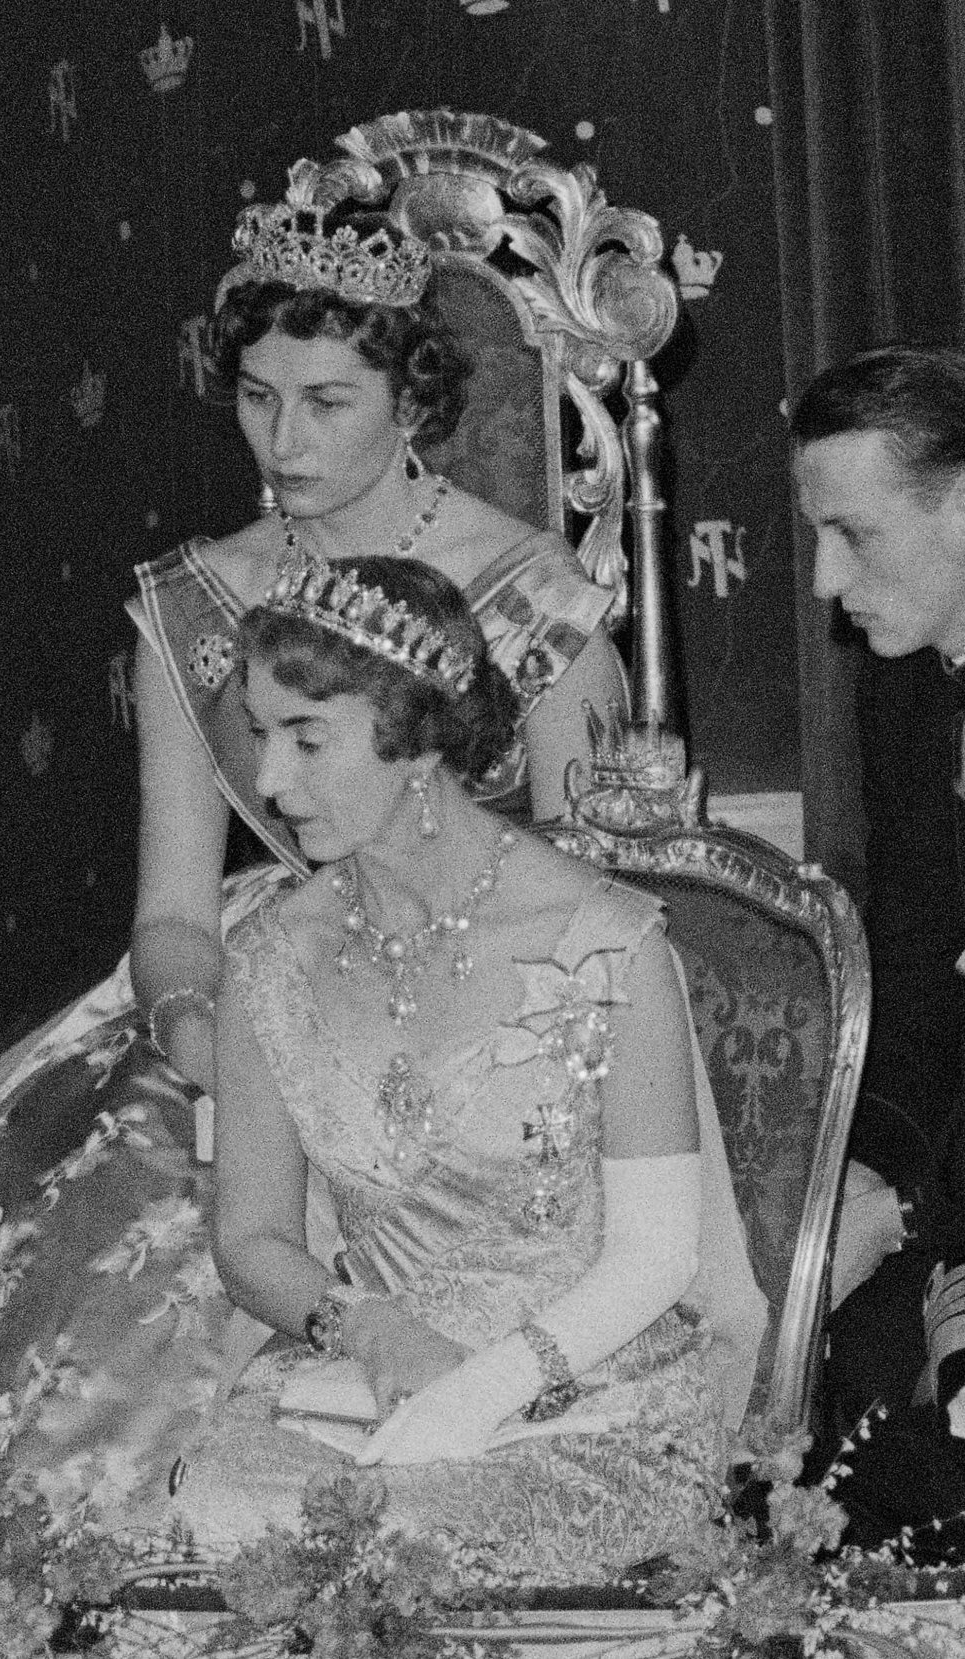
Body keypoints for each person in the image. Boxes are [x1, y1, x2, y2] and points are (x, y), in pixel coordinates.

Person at [0, 199, 628, 1520]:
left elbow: (597, 892)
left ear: (413, 401)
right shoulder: (197, 602)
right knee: (96, 1202)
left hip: (484, 999)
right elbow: (175, 911)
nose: (285, 442)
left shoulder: (535, 596)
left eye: (328, 402)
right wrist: (209, 1042)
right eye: (256, 397)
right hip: (262, 982)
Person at [144, 554, 766, 1582]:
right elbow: (252, 1239)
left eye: (308, 737)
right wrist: (369, 1328)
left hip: (591, 1397)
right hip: (364, 1382)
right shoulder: (268, 959)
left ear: (419, 739)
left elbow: (658, 1256)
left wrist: (483, 1388)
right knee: (224, 1507)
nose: (269, 781)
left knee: (403, 1543)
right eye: (261, 733)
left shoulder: (605, 945)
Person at [790, 344, 965, 1544]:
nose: (824, 580)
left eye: (854, 534)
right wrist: (872, 1181)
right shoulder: (902, 688)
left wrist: (914, 1212)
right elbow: (913, 957)